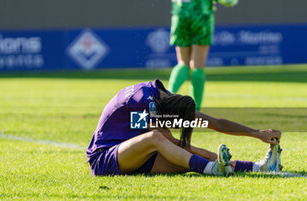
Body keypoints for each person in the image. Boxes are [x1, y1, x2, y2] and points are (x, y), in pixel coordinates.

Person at [86, 79, 282, 176]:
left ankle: (261, 167)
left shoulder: (164, 97)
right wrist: (209, 155)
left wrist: (256, 133)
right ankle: (211, 169)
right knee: (156, 139)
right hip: (105, 159)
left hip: (135, 153)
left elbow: (214, 122)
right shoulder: (143, 101)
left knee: (187, 162)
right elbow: (165, 140)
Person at [168, 0, 238, 111]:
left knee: (182, 63)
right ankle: (195, 110)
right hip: (201, 14)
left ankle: (167, 97)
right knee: (197, 66)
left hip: (180, 13)